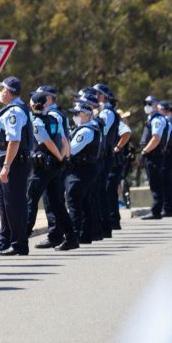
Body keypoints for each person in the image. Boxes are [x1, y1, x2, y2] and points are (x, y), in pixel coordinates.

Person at [27, 91, 76, 251]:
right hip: (54, 167)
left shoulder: (36, 122)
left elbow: (48, 142)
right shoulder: (54, 119)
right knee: (57, 204)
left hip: (43, 168)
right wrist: (64, 158)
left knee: (30, 200)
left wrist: (60, 158)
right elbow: (63, 141)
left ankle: (21, 237)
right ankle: (71, 237)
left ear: (33, 105)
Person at [0, 76, 31, 256]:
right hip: (7, 163)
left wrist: (6, 166)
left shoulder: (14, 112)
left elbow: (14, 140)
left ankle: (19, 243)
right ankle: (4, 240)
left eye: (3, 89)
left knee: (15, 204)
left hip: (14, 163)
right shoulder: (12, 110)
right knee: (5, 204)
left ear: (9, 92)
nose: (1, 92)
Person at [65, 102, 101, 244]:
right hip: (87, 169)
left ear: (86, 114)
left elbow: (71, 150)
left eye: (77, 114)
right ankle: (86, 234)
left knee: (74, 201)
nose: (74, 117)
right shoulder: (90, 127)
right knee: (85, 202)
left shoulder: (85, 131)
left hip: (81, 170)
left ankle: (73, 235)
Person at [93, 84, 120, 232]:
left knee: (101, 191)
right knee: (100, 190)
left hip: (105, 155)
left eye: (96, 94)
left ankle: (105, 225)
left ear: (102, 96)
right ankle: (104, 225)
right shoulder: (104, 112)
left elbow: (101, 131)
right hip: (104, 154)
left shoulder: (106, 113)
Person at [139, 96, 166, 220]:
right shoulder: (151, 118)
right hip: (151, 155)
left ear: (156, 105)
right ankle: (156, 210)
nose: (146, 105)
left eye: (149, 103)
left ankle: (156, 211)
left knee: (156, 184)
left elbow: (156, 139)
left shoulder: (157, 120)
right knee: (154, 183)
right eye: (145, 103)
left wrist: (144, 151)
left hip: (154, 156)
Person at [110, 112, 133, 227]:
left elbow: (127, 132)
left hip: (115, 162)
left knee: (111, 190)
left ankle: (114, 220)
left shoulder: (117, 123)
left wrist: (117, 148)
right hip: (114, 161)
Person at [157, 102, 172, 218]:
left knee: (166, 182)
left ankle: (168, 208)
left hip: (168, 154)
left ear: (165, 110)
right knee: (167, 182)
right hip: (170, 153)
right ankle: (169, 208)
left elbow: (167, 138)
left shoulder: (167, 121)